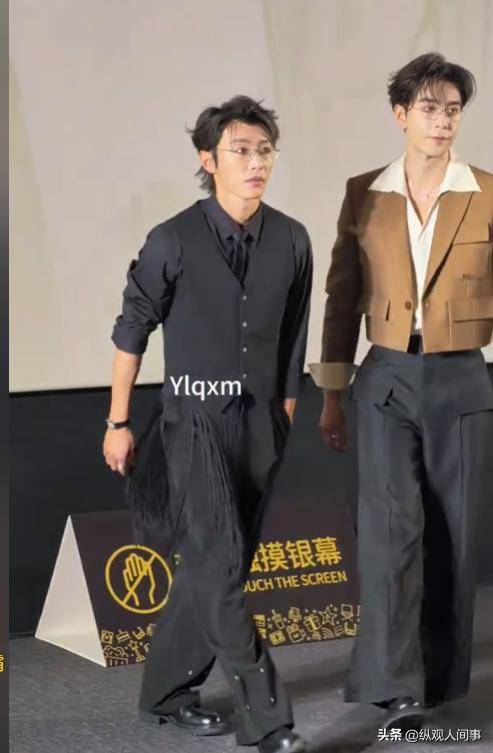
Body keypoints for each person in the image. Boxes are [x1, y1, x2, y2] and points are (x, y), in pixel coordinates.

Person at [103, 95, 312, 753]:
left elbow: (294, 337)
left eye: (263, 150)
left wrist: (283, 416)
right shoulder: (172, 239)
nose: (255, 163)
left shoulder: (291, 238)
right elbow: (131, 330)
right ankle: (269, 719)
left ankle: (164, 692)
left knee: (218, 569)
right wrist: (117, 420)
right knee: (218, 568)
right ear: (208, 159)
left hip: (260, 427)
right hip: (192, 423)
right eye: (239, 151)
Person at [311, 53, 493, 732]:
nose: (441, 121)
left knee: (452, 538)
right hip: (384, 379)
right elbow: (341, 297)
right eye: (428, 108)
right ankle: (396, 687)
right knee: (391, 536)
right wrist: (332, 391)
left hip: (462, 380)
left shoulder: (487, 191)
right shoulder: (365, 192)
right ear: (399, 114)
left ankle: (438, 679)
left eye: (452, 110)